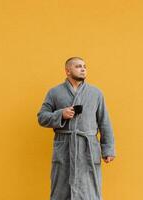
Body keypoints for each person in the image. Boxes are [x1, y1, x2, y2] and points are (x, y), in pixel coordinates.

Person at [37, 56, 116, 200]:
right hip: (64, 146)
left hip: (88, 148)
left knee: (89, 189)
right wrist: (61, 114)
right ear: (67, 71)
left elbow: (104, 122)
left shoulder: (96, 93)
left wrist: (108, 149)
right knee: (61, 188)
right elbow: (42, 117)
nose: (83, 69)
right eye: (78, 66)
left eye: (85, 66)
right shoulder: (54, 92)